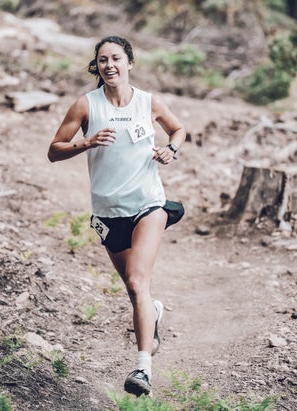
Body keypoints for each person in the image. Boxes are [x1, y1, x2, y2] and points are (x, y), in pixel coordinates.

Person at [47, 35, 186, 396]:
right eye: (103, 60)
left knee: (139, 281)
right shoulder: (86, 105)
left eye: (116, 59)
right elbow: (54, 151)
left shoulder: (148, 102)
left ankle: (143, 369)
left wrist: (171, 149)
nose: (110, 65)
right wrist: (87, 142)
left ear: (130, 63)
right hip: (109, 212)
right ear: (98, 67)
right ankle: (152, 312)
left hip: (148, 203)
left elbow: (179, 129)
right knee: (133, 289)